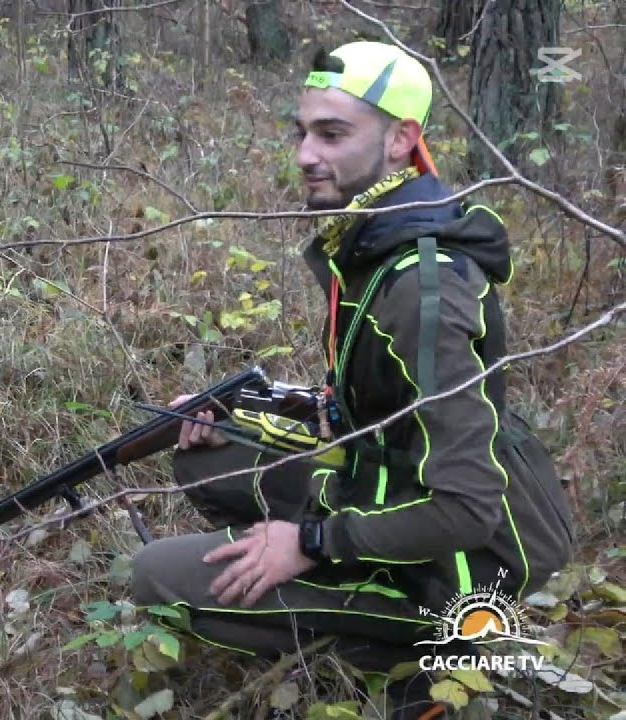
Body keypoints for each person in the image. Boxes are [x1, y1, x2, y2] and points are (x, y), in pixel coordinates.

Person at [130, 42, 575, 719]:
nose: (307, 153)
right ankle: (344, 595)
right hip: (398, 484)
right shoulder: (376, 240)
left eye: (333, 134)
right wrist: (241, 409)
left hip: (468, 564)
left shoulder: (424, 292)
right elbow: (378, 413)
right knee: (209, 454)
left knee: (154, 575)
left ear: (401, 141)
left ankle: (431, 662)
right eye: (302, 131)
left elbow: (467, 507)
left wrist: (311, 543)